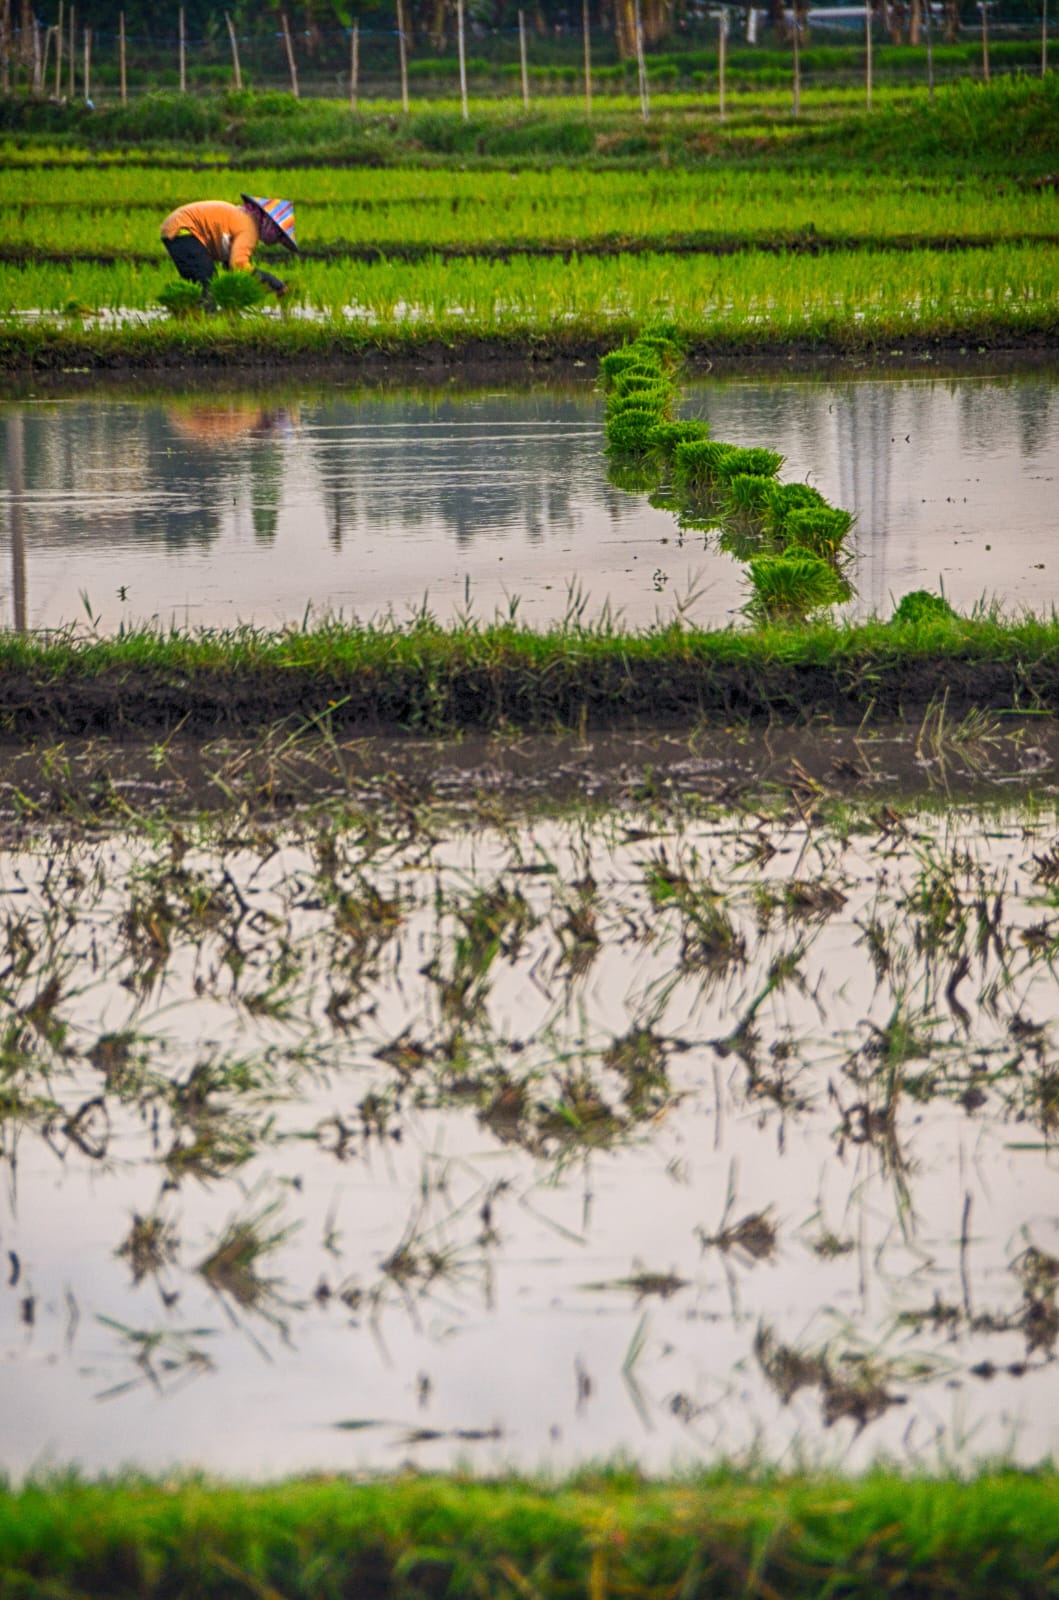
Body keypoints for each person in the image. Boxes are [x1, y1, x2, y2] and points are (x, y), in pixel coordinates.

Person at [160, 195, 298, 306]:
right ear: (269, 224)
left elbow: (230, 268)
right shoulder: (250, 228)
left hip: (177, 229)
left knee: (198, 286)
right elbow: (238, 265)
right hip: (184, 230)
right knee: (207, 284)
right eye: (278, 235)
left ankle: (192, 318)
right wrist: (274, 283)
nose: (275, 241)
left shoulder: (244, 217)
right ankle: (207, 323)